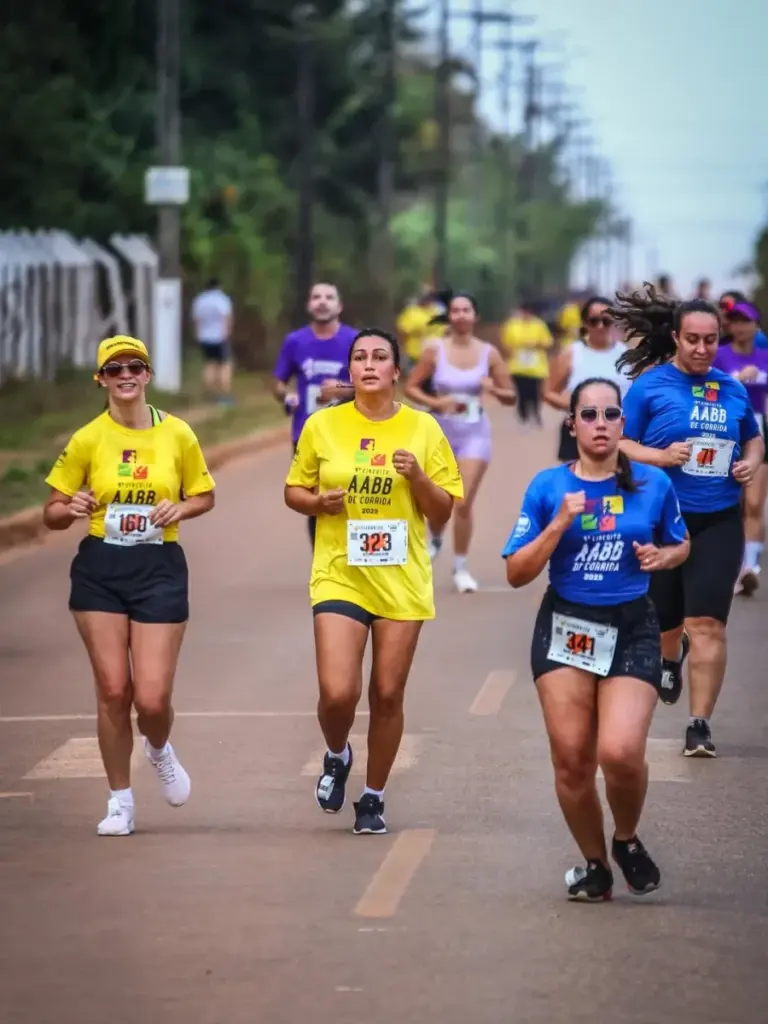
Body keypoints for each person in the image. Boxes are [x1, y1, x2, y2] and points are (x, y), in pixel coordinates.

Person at [503, 377, 689, 902]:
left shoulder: (653, 483)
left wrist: (662, 556)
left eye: (610, 415)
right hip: (567, 625)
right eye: (589, 415)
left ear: (623, 424)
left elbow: (679, 544)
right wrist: (558, 525)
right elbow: (516, 572)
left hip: (632, 625)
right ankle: (595, 865)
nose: (600, 424)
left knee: (620, 751)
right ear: (572, 425)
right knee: (572, 759)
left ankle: (625, 839)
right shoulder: (548, 487)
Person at [285, 328, 464, 835]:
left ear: (395, 371)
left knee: (387, 693)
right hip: (340, 572)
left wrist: (419, 478)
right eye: (360, 357)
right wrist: (318, 503)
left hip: (401, 578)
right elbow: (294, 490)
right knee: (338, 692)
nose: (368, 364)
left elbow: (442, 514)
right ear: (350, 370)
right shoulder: (323, 425)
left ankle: (373, 796)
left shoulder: (423, 428)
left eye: (379, 356)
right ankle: (337, 753)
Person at [42, 335, 216, 836]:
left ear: (147, 376)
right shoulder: (87, 439)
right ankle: (120, 800)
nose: (125, 376)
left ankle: (158, 748)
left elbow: (204, 495)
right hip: (101, 567)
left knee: (153, 699)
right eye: (114, 369)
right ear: (101, 379)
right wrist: (69, 508)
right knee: (114, 689)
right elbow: (51, 511)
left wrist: (179, 508)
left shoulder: (178, 433)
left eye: (134, 367)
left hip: (159, 566)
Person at [614, 285, 764, 754]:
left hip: (718, 519)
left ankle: (699, 725)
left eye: (710, 340)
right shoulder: (650, 386)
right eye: (693, 339)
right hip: (662, 521)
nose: (702, 349)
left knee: (708, 624)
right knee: (666, 619)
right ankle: (668, 655)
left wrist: (750, 463)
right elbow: (621, 443)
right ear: (677, 338)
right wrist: (660, 457)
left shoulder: (732, 388)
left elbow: (753, 437)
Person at [403, 292, 516, 593]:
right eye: (456, 310)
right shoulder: (434, 350)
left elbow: (510, 396)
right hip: (439, 433)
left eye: (467, 310)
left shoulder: (489, 353)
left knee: (462, 501)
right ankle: (437, 537)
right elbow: (411, 387)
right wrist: (435, 403)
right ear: (449, 316)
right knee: (437, 499)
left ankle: (461, 567)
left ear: (475, 316)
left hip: (474, 434)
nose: (461, 315)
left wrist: (493, 389)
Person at [272, 282, 357, 546]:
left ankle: (354, 557)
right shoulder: (295, 341)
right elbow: (278, 383)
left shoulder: (354, 340)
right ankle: (322, 560)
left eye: (329, 297)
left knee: (353, 497)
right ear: (309, 305)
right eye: (316, 297)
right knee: (316, 500)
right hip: (307, 432)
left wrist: (342, 389)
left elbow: (372, 386)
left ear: (339, 306)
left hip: (350, 433)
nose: (322, 301)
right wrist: (286, 396)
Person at [714, 300, 768, 594]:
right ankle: (732, 567)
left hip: (760, 433)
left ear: (756, 325)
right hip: (726, 434)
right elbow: (706, 389)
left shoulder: (765, 357)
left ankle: (750, 567)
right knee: (731, 505)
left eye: (745, 321)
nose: (739, 326)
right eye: (734, 321)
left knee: (755, 503)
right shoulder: (719, 356)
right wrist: (736, 379)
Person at [543, 295, 631, 463]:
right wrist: (574, 405)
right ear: (584, 323)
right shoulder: (571, 354)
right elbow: (548, 392)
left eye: (606, 321)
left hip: (618, 434)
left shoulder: (626, 356)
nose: (600, 326)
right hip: (579, 433)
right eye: (594, 321)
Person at [500, 300, 553, 426]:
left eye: (529, 312)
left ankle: (535, 414)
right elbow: (505, 343)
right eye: (524, 312)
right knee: (521, 392)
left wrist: (535, 345)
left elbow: (548, 342)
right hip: (518, 366)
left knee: (535, 392)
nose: (526, 314)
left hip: (536, 367)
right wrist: (515, 349)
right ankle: (523, 415)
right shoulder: (512, 325)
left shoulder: (539, 325)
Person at [190, 278, 234, 404]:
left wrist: (197, 334)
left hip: (204, 337)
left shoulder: (200, 300)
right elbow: (227, 318)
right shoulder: (222, 299)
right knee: (224, 365)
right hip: (220, 337)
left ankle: (209, 395)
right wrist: (228, 332)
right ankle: (224, 394)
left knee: (209, 364)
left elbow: (196, 320)